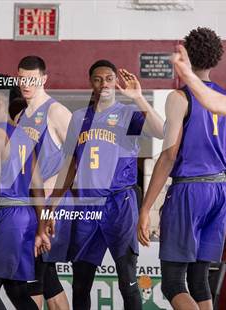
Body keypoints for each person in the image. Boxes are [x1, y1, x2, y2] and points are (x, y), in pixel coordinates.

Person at [138, 27, 226, 310]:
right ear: (216, 58)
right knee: (200, 281)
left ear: (185, 54)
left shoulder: (179, 98)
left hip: (190, 191)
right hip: (220, 189)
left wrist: (146, 208)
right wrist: (213, 179)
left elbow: (169, 155)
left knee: (173, 283)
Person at [51, 60, 164, 310]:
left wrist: (138, 97)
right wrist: (55, 201)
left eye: (109, 78)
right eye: (98, 79)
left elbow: (161, 131)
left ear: (116, 82)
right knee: (80, 284)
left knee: (128, 282)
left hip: (119, 204)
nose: (104, 84)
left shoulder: (127, 114)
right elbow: (70, 164)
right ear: (90, 82)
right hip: (86, 206)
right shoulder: (79, 118)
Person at [0, 72, 51, 310]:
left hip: (4, 219)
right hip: (24, 220)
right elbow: (38, 188)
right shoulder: (25, 136)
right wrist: (41, 228)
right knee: (17, 291)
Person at [14, 55, 72, 309]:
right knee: (46, 278)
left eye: (32, 79)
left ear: (44, 79)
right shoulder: (19, 118)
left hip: (51, 206)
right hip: (30, 206)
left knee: (34, 279)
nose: (26, 83)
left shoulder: (57, 112)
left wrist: (51, 188)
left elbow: (78, 161)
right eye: (22, 78)